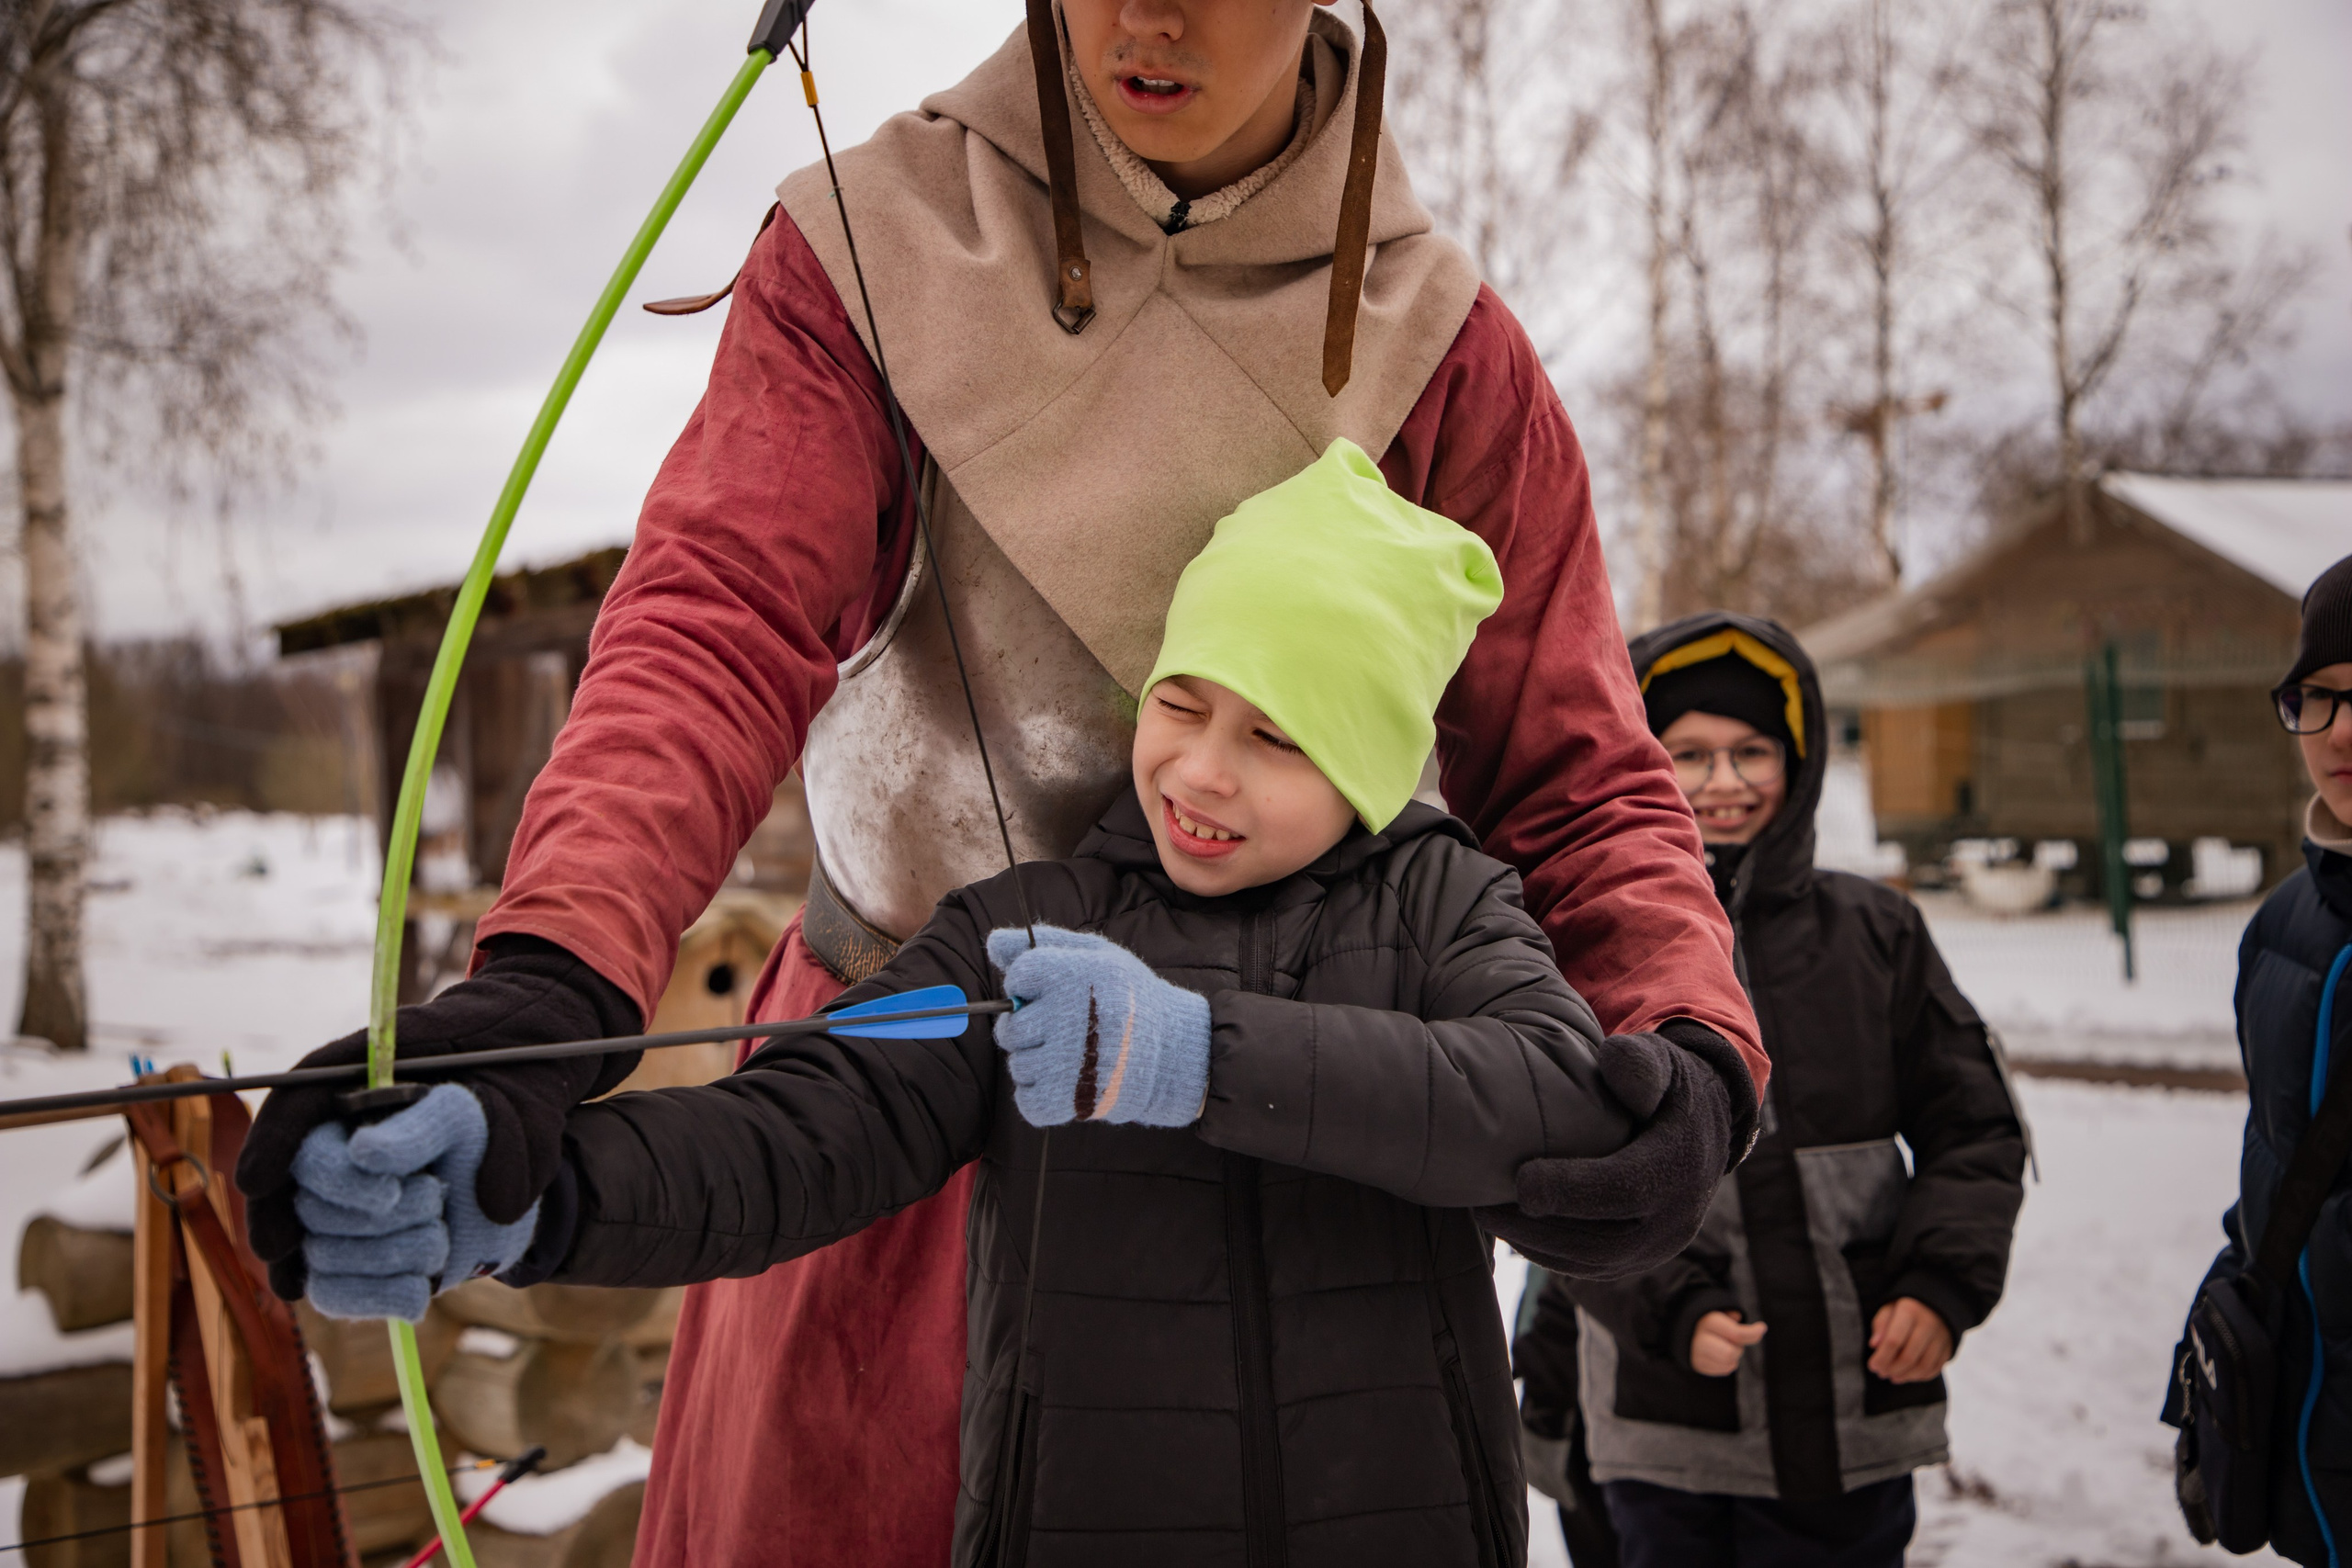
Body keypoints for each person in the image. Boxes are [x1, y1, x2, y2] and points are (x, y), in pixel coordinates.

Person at [238, 4, 1769, 1562]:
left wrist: (1685, 1042)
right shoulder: (872, 250)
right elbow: (716, 621)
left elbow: (1579, 778)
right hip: (892, 1094)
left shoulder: (1444, 347)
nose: (1143, 18)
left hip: (1308, 1173)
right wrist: (551, 979)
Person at [273, 444, 1747, 1568]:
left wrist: (1192, 1053)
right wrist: (530, 1195)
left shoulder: (1444, 908)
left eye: (1277, 732)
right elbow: (800, 1131)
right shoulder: (1033, 931)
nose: (1201, 771)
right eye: (1185, 701)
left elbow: (1553, 1100)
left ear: (1368, 759)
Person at [1513, 612, 2028, 1568]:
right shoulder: (1580, 936)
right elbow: (1549, 1172)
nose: (1724, 782)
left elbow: (1975, 1129)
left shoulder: (1877, 932)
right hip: (1661, 1422)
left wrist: (1937, 1284)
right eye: (1689, 753)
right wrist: (1667, 1306)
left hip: (1851, 1405)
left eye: (1751, 750)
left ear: (1799, 759)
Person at [2165, 552, 2352, 1564]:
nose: (2341, 733)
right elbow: (2273, 1171)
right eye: (2317, 699)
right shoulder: (2284, 924)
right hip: (2311, 1458)